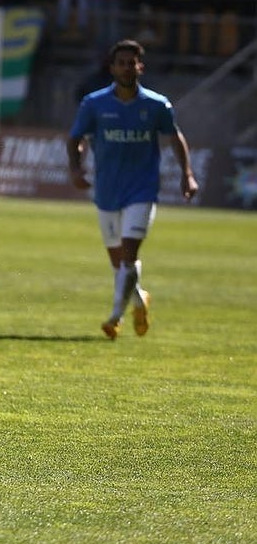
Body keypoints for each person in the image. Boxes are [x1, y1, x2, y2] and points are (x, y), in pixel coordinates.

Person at [66, 39, 199, 340]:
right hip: (107, 191)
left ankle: (114, 317)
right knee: (119, 265)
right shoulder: (94, 104)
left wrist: (187, 174)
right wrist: (76, 168)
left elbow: (175, 137)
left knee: (128, 255)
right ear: (112, 67)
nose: (127, 67)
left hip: (142, 189)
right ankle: (139, 299)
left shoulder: (156, 105)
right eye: (121, 62)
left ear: (141, 66)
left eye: (132, 62)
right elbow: (75, 138)